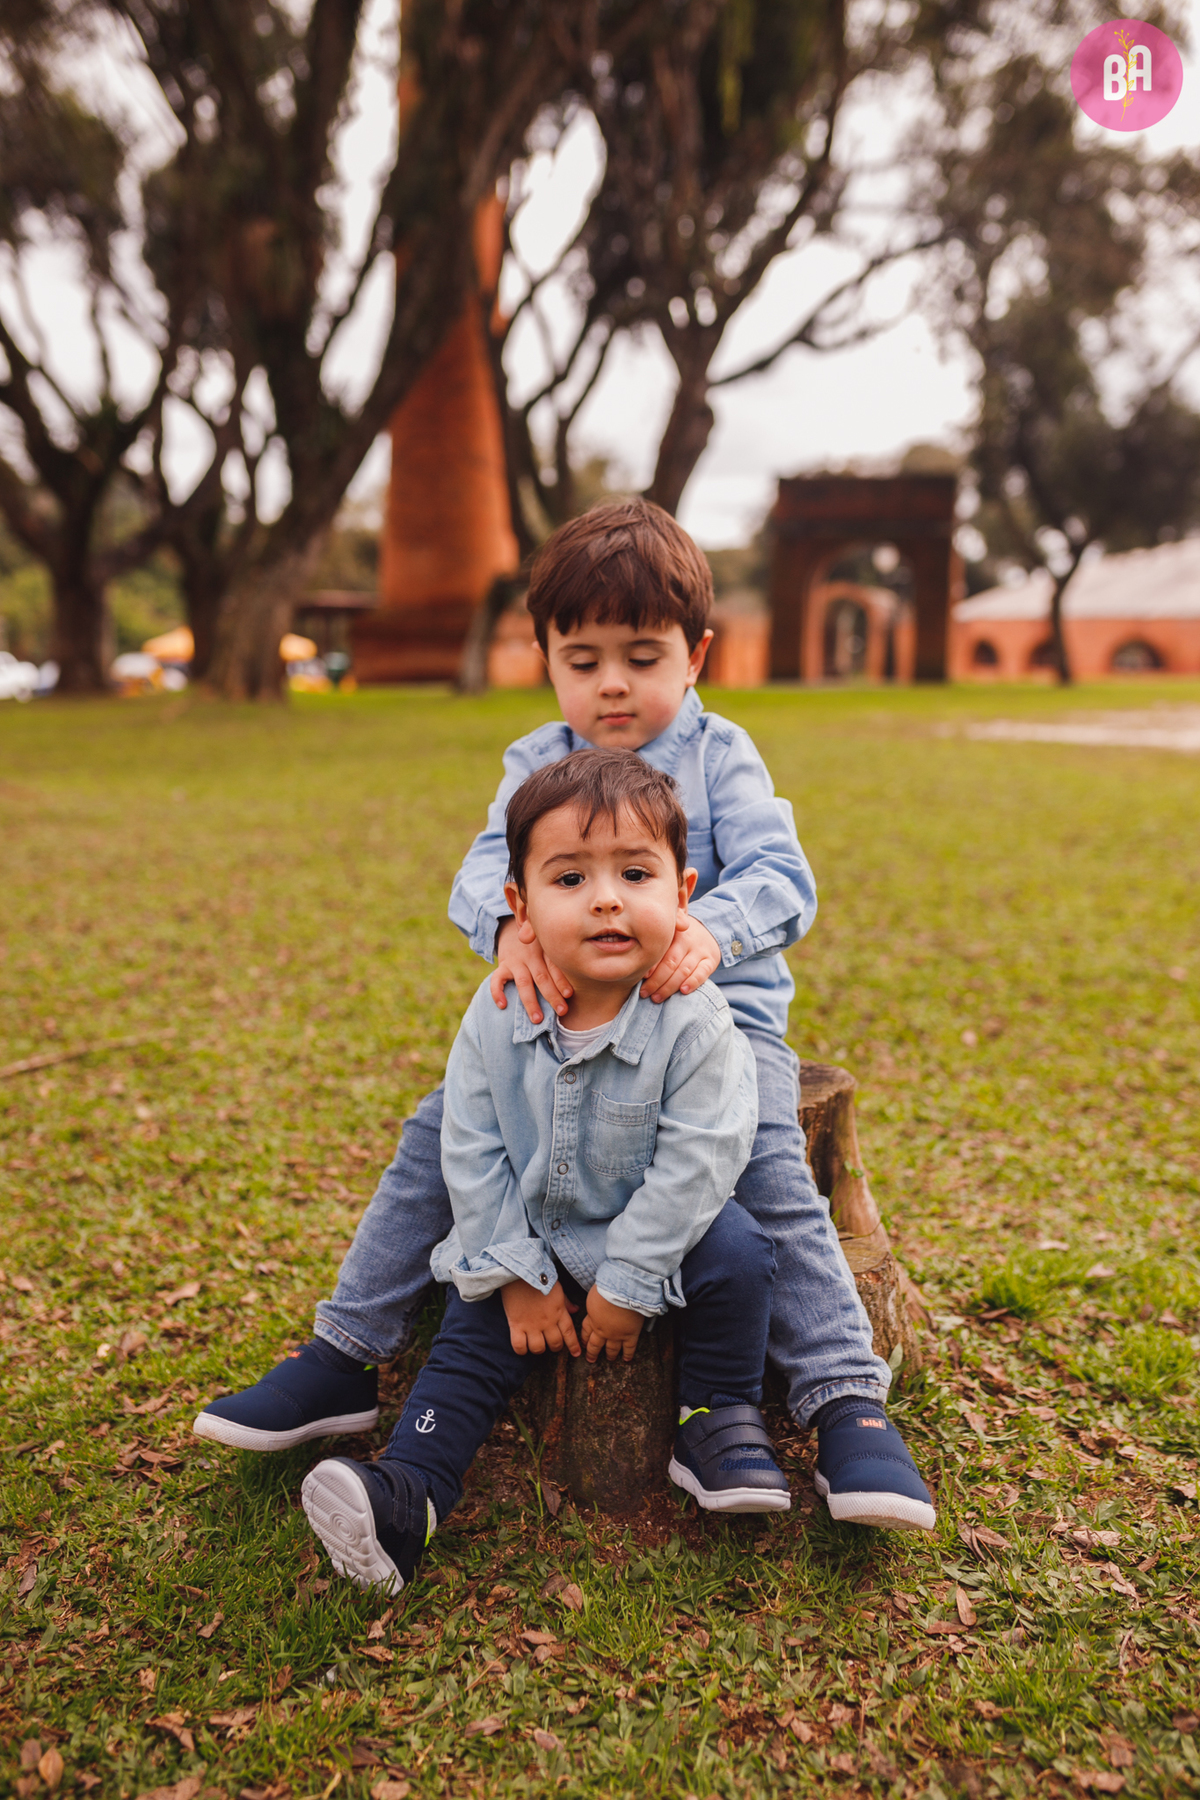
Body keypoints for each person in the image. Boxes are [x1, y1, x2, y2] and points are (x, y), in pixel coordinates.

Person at [195, 496, 935, 1535]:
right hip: (562, 1030)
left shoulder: (721, 754)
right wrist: (506, 929)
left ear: (696, 656)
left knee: (768, 1164)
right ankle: (345, 1355)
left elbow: (784, 875)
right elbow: (481, 870)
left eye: (643, 656)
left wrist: (710, 930)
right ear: (546, 657)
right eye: (583, 659)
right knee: (438, 1130)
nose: (612, 684)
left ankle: (845, 1402)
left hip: (712, 1033)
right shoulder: (535, 759)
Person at [300, 749, 791, 1591]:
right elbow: (472, 1143)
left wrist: (628, 1285)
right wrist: (511, 1273)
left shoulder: (696, 1021)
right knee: (471, 1329)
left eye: (635, 873)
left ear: (682, 893)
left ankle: (716, 1417)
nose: (606, 898)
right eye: (570, 879)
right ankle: (408, 1492)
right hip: (532, 1229)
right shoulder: (500, 1009)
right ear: (519, 908)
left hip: (664, 1234)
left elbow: (701, 1160)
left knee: (743, 1257)